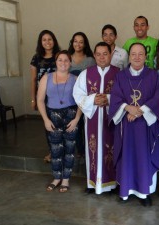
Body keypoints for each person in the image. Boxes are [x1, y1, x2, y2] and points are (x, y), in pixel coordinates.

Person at [109, 43, 159, 207]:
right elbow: (116, 96)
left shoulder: (153, 75)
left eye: (141, 54)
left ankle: (145, 192)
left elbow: (157, 97)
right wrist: (128, 108)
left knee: (144, 156)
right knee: (127, 156)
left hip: (145, 125)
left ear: (146, 57)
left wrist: (140, 111)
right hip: (126, 126)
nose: (137, 57)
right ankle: (125, 191)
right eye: (134, 54)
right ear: (129, 56)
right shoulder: (121, 76)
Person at [73, 42, 119, 194]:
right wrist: (93, 100)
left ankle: (112, 184)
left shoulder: (119, 73)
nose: (101, 57)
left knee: (111, 149)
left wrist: (109, 99)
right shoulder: (86, 73)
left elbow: (125, 95)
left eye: (105, 53)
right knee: (93, 149)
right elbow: (77, 94)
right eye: (98, 54)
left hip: (111, 120)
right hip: (92, 120)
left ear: (110, 54)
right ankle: (92, 184)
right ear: (94, 55)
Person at [37, 50, 82, 193]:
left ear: (70, 63)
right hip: (52, 117)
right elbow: (40, 100)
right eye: (60, 60)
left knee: (69, 150)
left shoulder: (75, 79)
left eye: (66, 60)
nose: (63, 63)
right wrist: (45, 119)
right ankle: (56, 178)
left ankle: (66, 179)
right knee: (55, 149)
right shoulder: (46, 78)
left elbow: (82, 101)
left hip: (71, 117)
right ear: (56, 62)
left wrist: (76, 119)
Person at [30, 30, 61, 163]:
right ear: (40, 42)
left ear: (54, 41)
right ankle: (52, 151)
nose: (47, 42)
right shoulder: (36, 58)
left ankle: (63, 151)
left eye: (50, 39)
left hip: (59, 96)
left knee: (61, 124)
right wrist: (33, 99)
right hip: (43, 98)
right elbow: (33, 80)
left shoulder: (59, 56)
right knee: (48, 125)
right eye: (44, 40)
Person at [68, 32, 96, 158]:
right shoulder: (67, 57)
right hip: (70, 97)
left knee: (86, 123)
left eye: (81, 41)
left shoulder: (90, 60)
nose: (78, 44)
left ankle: (89, 149)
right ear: (72, 42)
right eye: (75, 41)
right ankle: (79, 150)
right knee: (75, 124)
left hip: (86, 97)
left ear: (85, 44)